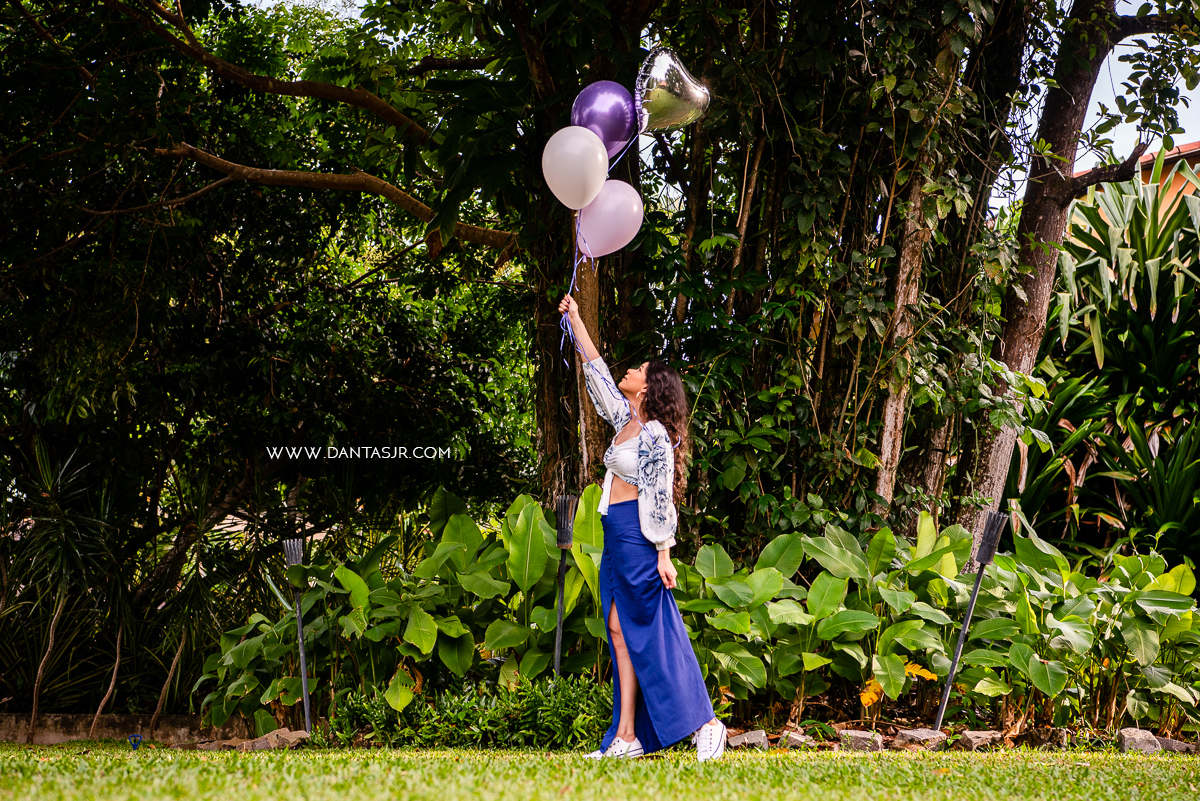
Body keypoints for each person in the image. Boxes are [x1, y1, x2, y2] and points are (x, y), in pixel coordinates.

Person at [559, 294, 726, 762]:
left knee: (656, 629)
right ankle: (628, 735)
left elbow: (659, 494)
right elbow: (596, 372)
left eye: (640, 369)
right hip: (614, 533)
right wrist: (576, 320)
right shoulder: (625, 422)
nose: (630, 370)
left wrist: (664, 553)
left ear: (649, 388)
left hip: (638, 535)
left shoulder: (654, 435)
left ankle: (707, 723)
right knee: (617, 628)